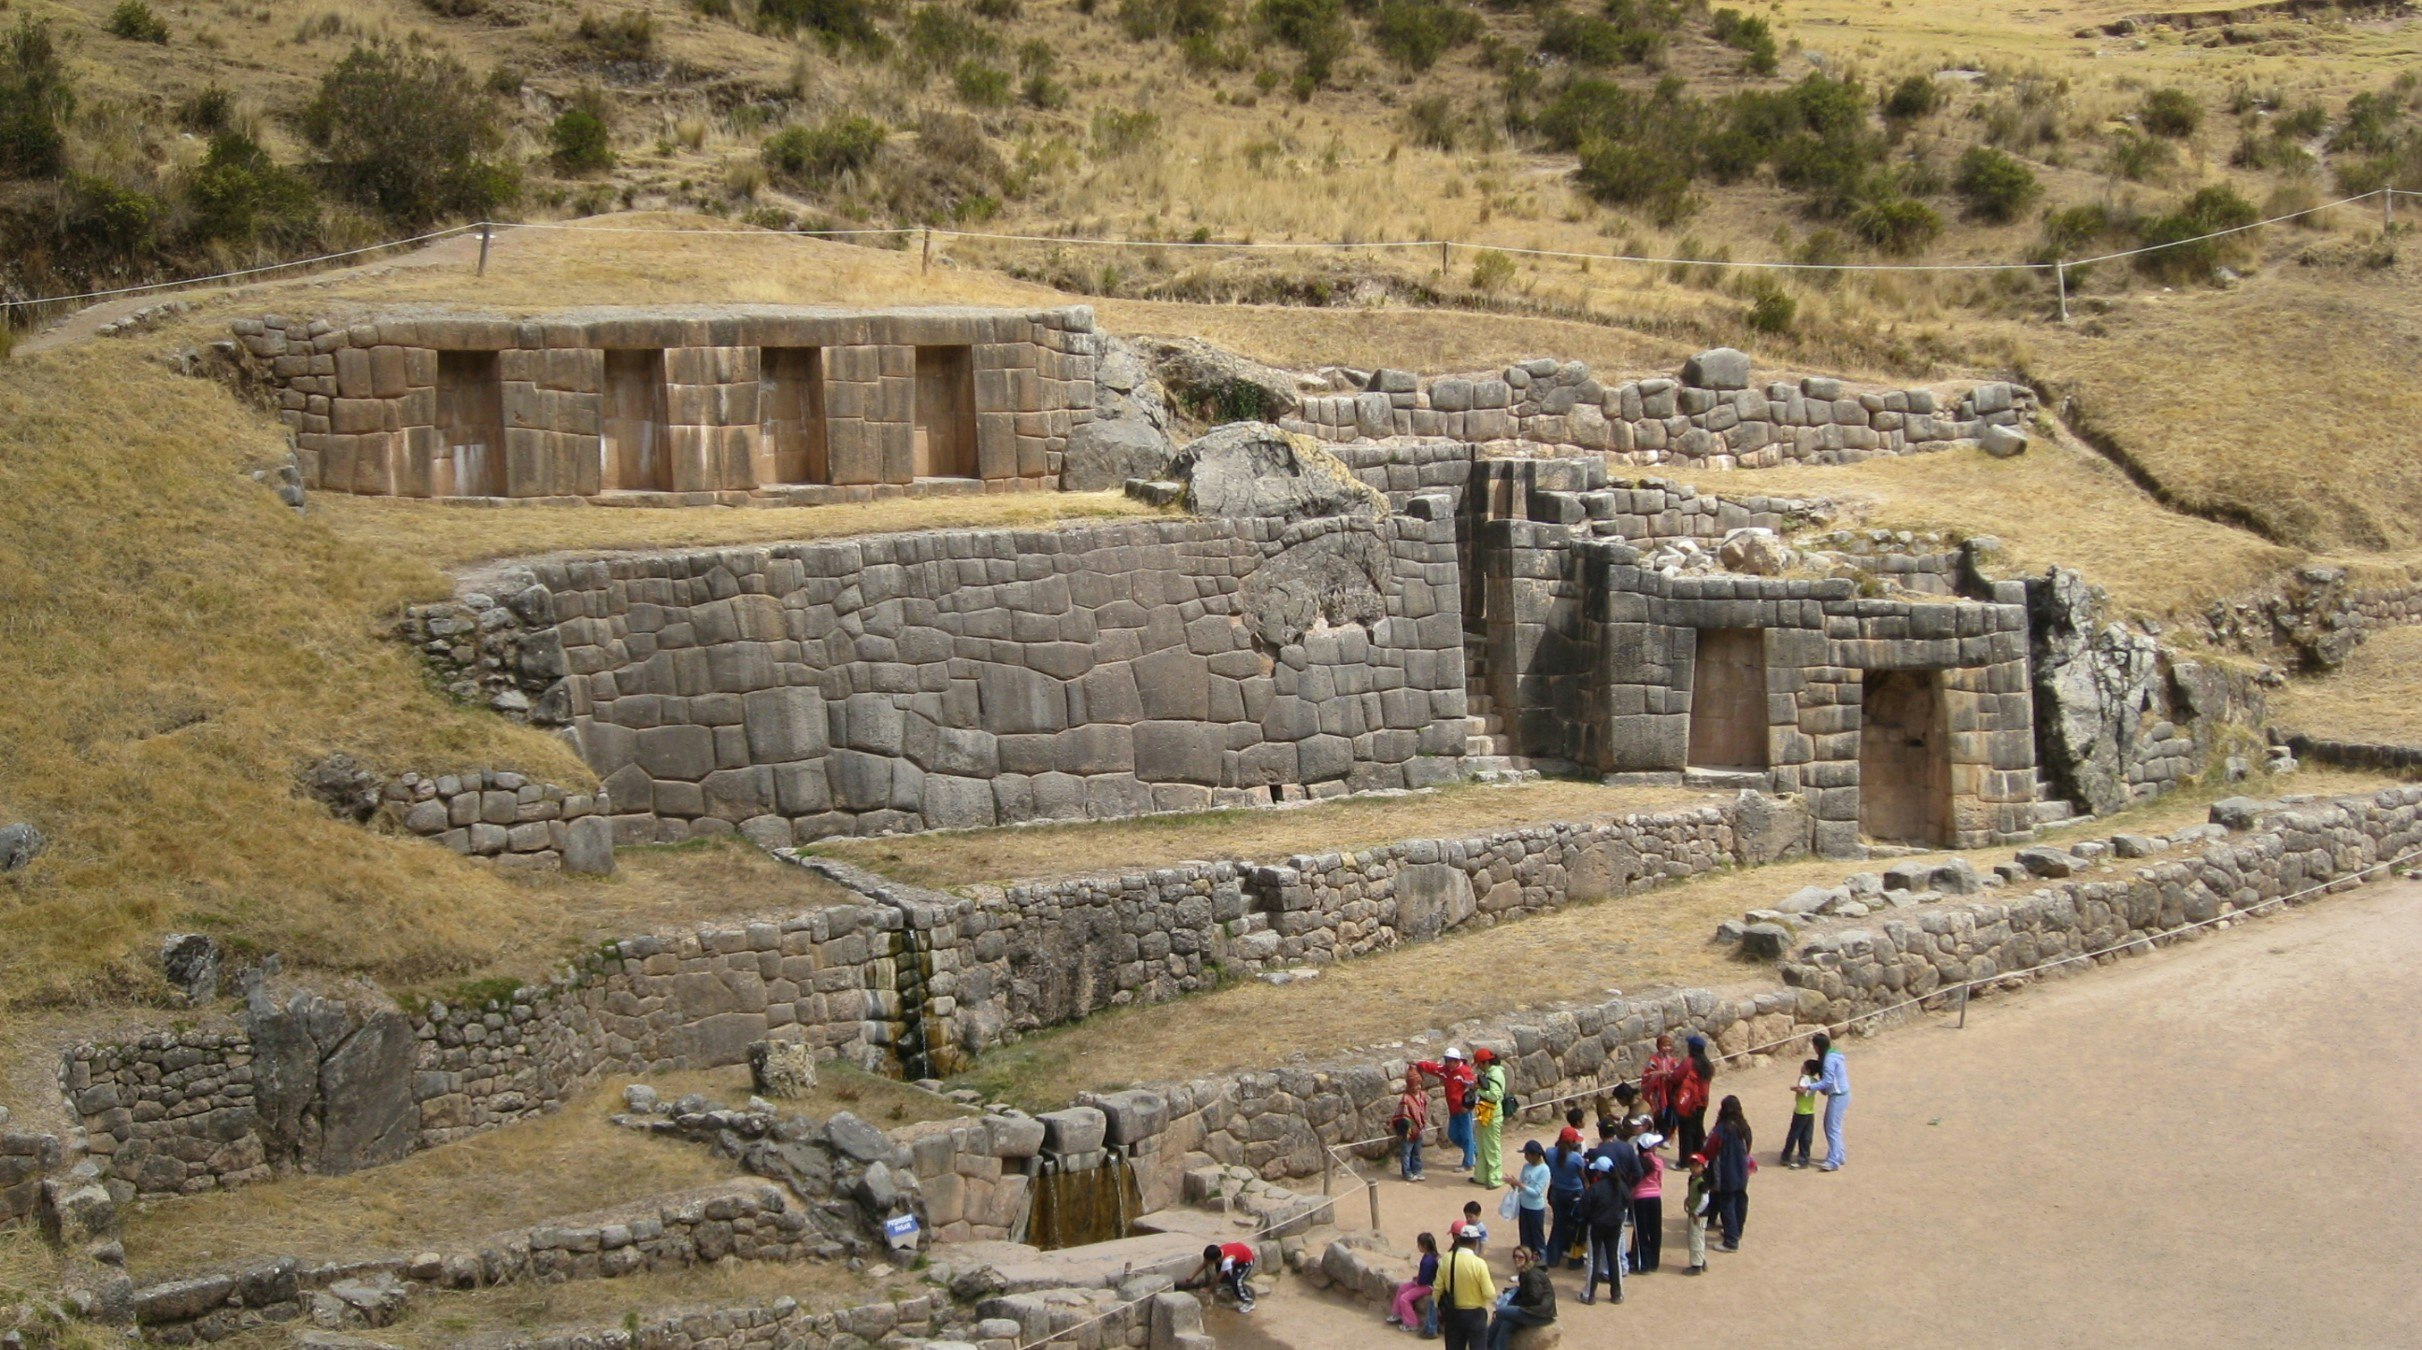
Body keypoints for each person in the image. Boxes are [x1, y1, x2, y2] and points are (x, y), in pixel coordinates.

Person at [1695, 1095, 1753, 1252]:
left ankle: (1731, 1241)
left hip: (1725, 1171)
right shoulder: (1744, 1127)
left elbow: (1709, 1149)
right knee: (1740, 1200)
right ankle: (1736, 1231)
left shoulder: (1722, 1128)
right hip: (1742, 1170)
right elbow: (1748, 1147)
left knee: (1727, 1203)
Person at [1416, 1049, 1479, 1173]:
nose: (1447, 1063)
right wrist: (1419, 1064)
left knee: (1467, 1136)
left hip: (1464, 1111)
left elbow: (1473, 1090)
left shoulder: (1464, 1072)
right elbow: (1434, 1068)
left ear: (1456, 1061)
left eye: (1450, 1061)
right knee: (1453, 1135)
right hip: (1453, 1110)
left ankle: (1468, 1163)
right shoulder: (1446, 1070)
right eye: (1446, 1060)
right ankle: (1475, 1152)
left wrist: (1467, 1106)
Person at [1576, 1155, 1628, 1305]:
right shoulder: (1621, 1186)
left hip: (1596, 1227)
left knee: (1593, 1260)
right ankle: (1617, 1294)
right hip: (1615, 1226)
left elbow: (1583, 1209)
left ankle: (1589, 1295)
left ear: (1599, 1172)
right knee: (1614, 1258)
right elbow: (1627, 1202)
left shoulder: (1595, 1188)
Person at [1435, 1223, 1495, 1350]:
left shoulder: (1446, 1259)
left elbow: (1437, 1287)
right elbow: (1489, 1293)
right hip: (1475, 1314)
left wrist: (1435, 1305)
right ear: (1475, 1242)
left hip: (1453, 1313)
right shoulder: (1479, 1264)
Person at [1486, 1244, 1557, 1350]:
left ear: (1527, 1258)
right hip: (1536, 1312)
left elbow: (1534, 1298)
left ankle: (1485, 1343)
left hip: (1540, 1314)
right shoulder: (1526, 1272)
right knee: (1507, 1324)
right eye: (1515, 1256)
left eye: (1520, 1257)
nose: (1517, 1259)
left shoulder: (1531, 1275)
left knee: (1500, 1312)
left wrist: (1516, 1305)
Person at [1545, 1126, 1590, 1271]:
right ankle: (1574, 1259)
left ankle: (1552, 1257)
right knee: (1575, 1227)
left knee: (1558, 1224)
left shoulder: (1549, 1153)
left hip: (1557, 1191)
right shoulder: (1576, 1158)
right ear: (1572, 1142)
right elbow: (1584, 1178)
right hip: (1574, 1194)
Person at [1812, 1031, 1852, 1172]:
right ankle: (1839, 1154)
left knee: (1831, 1127)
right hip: (1841, 1094)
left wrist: (1809, 1087)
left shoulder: (1829, 1059)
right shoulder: (1833, 1054)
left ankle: (1833, 1160)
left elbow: (1827, 1081)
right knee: (1834, 1127)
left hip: (1838, 1095)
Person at [1179, 1241, 1258, 1311]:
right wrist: (1192, 1277)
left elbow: (1218, 1277)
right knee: (1223, 1272)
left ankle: (1249, 1301)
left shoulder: (1227, 1260)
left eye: (1210, 1261)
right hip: (1237, 1257)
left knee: (1236, 1280)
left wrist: (1209, 1289)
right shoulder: (1216, 1252)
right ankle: (1229, 1286)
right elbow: (1204, 1264)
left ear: (1217, 1259)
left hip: (1246, 1261)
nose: (1208, 1262)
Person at [1673, 1035, 1715, 1162]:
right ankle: (1699, 1158)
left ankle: (1685, 1161)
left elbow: (1676, 1077)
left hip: (1689, 1103)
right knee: (1698, 1129)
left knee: (1686, 1131)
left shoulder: (1689, 1062)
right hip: (1703, 1102)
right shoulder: (1707, 1065)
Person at [1390, 1231, 1440, 1336]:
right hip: (1424, 1282)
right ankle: (1397, 1313)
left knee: (1405, 1298)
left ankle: (1411, 1323)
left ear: (1424, 1246)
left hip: (1428, 1286)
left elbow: (1424, 1280)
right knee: (1402, 1288)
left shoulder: (1428, 1261)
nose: (1418, 1246)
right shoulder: (1431, 1256)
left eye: (1419, 1244)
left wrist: (1417, 1281)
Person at [1629, 1130, 1665, 1273]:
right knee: (1655, 1230)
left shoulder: (1636, 1163)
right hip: (1655, 1198)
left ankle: (1643, 1263)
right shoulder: (1658, 1162)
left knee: (1641, 1231)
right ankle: (1654, 1262)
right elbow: (1659, 1181)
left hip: (1639, 1198)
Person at [1471, 1048, 1508, 1188]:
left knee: (1492, 1148)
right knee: (1481, 1147)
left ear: (1485, 1062)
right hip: (1485, 1114)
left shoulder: (1495, 1074)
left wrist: (1478, 1091)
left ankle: (1495, 1178)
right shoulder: (1490, 1073)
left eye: (1479, 1064)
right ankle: (1481, 1176)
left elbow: (1494, 1095)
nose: (1478, 1067)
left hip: (1493, 1115)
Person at [1640, 1033, 1683, 1135]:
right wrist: (1660, 1073)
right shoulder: (1654, 1060)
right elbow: (1647, 1074)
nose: (1667, 1048)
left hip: (1669, 1090)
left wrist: (1672, 1074)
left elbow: (1678, 1072)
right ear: (1659, 1046)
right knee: (1658, 1113)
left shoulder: (1672, 1060)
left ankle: (1669, 1133)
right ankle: (1659, 1131)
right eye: (1664, 1045)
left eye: (1669, 1045)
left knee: (1671, 1113)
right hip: (1658, 1092)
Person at [1782, 1058, 1821, 1168]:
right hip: (1810, 1111)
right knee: (1807, 1136)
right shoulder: (1815, 1081)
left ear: (1808, 1070)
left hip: (1800, 1111)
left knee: (1793, 1135)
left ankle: (1786, 1156)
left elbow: (1802, 1090)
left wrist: (1794, 1088)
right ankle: (1804, 1158)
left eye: (1803, 1066)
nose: (1801, 1068)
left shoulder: (1803, 1078)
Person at [1514, 1140, 1551, 1257]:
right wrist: (1514, 1184)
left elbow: (1536, 1192)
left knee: (1537, 1238)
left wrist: (1520, 1185)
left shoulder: (1544, 1170)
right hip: (1524, 1206)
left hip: (1535, 1209)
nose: (1525, 1157)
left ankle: (1541, 1261)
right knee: (1525, 1237)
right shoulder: (1526, 1167)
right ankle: (1526, 1260)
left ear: (1536, 1155)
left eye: (1527, 1154)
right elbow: (1521, 1185)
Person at [1395, 1067, 1431, 1183]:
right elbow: (1403, 1114)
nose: (1418, 1087)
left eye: (1419, 1084)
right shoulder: (1406, 1099)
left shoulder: (1422, 1096)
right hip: (1409, 1131)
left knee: (1417, 1152)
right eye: (1416, 1085)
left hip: (1419, 1129)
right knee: (1406, 1152)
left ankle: (1417, 1171)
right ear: (1410, 1086)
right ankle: (1407, 1173)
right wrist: (1409, 1126)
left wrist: (1421, 1123)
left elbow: (1424, 1110)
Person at [1678, 1153, 1712, 1276]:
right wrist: (1688, 1199)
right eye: (1691, 1165)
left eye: (1696, 1166)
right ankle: (1700, 1260)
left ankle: (1696, 1266)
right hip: (1694, 1214)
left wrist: (1696, 1212)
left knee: (1695, 1239)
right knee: (1697, 1238)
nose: (1693, 1168)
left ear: (1702, 1167)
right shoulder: (1692, 1179)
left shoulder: (1702, 1182)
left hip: (1699, 1216)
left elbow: (1705, 1200)